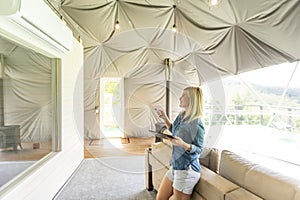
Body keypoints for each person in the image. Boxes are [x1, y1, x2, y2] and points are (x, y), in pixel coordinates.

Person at [155, 87, 205, 200]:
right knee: (160, 198)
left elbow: (199, 149)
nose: (180, 98)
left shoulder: (196, 123)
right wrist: (164, 118)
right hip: (176, 165)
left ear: (191, 99)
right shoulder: (181, 116)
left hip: (187, 170)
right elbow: (174, 130)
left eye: (183, 95)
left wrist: (183, 144)